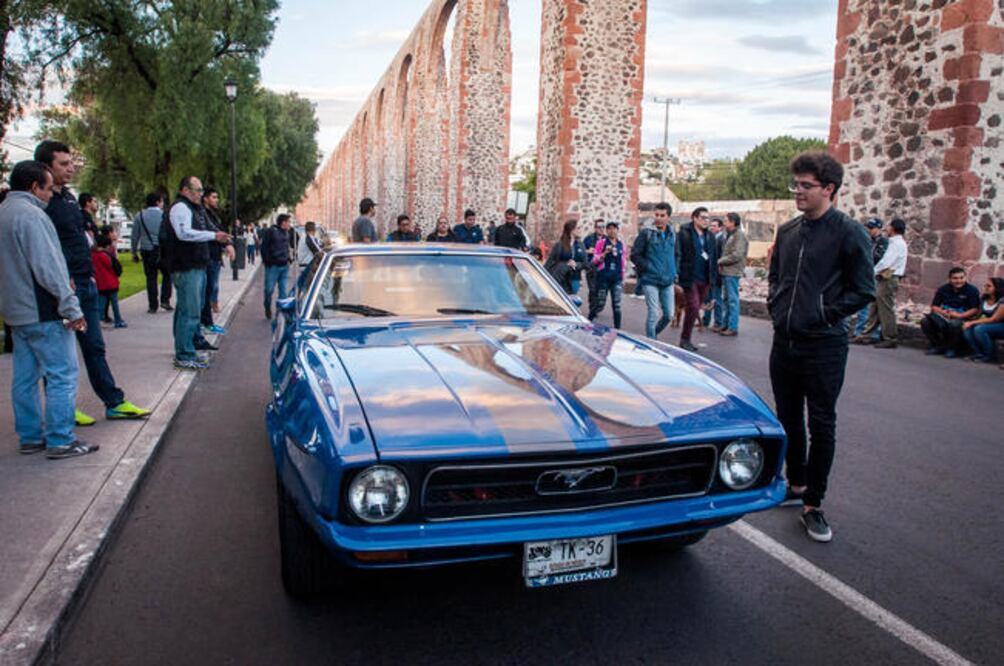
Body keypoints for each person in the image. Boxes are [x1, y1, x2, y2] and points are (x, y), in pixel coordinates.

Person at [769, 151, 874, 543]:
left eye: (806, 185)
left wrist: (822, 314)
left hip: (824, 345)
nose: (798, 191)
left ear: (829, 188)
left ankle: (814, 503)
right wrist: (777, 306)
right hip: (785, 341)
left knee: (821, 423)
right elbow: (777, 276)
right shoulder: (789, 231)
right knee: (787, 417)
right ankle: (795, 483)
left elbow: (863, 289)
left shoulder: (849, 232)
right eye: (795, 184)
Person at [34, 140, 152, 422]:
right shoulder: (43, 204)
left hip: (86, 282)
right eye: (64, 164)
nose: (71, 168)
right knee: (62, 354)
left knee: (94, 346)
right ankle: (63, 407)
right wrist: (63, 279)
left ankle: (113, 401)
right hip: (65, 285)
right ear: (46, 166)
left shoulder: (69, 198)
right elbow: (45, 248)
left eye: (71, 163)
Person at [0, 161, 97, 459]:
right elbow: (49, 267)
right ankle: (60, 439)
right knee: (63, 375)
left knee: (25, 378)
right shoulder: (32, 217)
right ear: (34, 187)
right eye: (48, 189)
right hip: (44, 309)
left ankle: (30, 436)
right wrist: (71, 307)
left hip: (15, 311)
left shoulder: (4, 213)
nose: (51, 195)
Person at [165, 176, 230, 370]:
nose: (201, 194)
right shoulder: (180, 208)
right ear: (185, 190)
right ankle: (184, 354)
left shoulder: (195, 209)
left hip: (196, 265)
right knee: (190, 311)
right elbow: (183, 233)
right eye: (198, 190)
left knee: (189, 309)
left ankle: (186, 348)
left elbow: (207, 227)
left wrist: (222, 240)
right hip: (186, 266)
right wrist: (213, 236)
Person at [857, 218, 907, 349]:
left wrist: (873, 271)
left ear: (893, 228)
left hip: (889, 277)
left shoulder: (897, 244)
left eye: (889, 226)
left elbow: (886, 262)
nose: (887, 228)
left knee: (885, 308)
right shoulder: (894, 242)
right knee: (875, 306)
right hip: (884, 277)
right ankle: (867, 334)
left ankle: (890, 337)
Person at [630, 202, 677, 340]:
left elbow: (677, 254)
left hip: (668, 280)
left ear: (668, 217)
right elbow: (635, 255)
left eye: (662, 215)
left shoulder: (673, 234)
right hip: (650, 280)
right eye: (656, 215)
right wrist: (647, 267)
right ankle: (652, 341)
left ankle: (653, 335)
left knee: (669, 315)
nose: (659, 218)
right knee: (653, 313)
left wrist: (675, 270)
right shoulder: (646, 233)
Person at [676, 207, 718, 352]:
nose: (706, 221)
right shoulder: (684, 233)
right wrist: (677, 274)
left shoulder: (710, 236)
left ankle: (686, 338)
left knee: (694, 310)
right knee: (693, 306)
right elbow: (678, 254)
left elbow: (713, 257)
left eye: (708, 218)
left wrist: (713, 279)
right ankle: (685, 339)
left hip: (705, 278)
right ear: (694, 218)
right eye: (703, 217)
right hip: (689, 277)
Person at [920, 267, 981, 357]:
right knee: (925, 321)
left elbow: (974, 309)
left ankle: (952, 349)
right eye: (955, 278)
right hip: (945, 315)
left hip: (963, 317)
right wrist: (943, 312)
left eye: (961, 278)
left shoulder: (972, 290)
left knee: (954, 324)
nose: (959, 281)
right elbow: (934, 306)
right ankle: (938, 346)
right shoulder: (943, 289)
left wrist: (959, 315)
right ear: (950, 279)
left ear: (965, 277)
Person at [131, 192, 172, 313]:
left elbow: (135, 236)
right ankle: (165, 300)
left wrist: (134, 252)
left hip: (147, 250)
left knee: (150, 278)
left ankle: (153, 305)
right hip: (163, 250)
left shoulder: (140, 215)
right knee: (167, 275)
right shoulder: (165, 215)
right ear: (158, 202)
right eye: (162, 201)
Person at [201, 187, 234, 327]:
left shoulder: (212, 214)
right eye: (213, 197)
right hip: (208, 255)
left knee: (211, 288)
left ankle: (207, 320)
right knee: (208, 289)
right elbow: (213, 231)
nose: (217, 200)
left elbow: (218, 230)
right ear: (205, 199)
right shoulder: (203, 213)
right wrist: (227, 243)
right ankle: (206, 322)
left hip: (214, 255)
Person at [852, 218, 888, 338]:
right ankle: (859, 331)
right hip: (864, 273)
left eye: (871, 228)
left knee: (871, 305)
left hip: (875, 274)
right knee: (862, 304)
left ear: (878, 228)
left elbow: (876, 257)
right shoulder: (867, 239)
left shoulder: (883, 242)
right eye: (868, 227)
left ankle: (870, 332)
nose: (868, 230)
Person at [588, 222, 626, 329]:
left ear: (617, 230)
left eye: (614, 228)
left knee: (617, 305)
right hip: (603, 277)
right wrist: (604, 253)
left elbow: (623, 261)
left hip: (616, 278)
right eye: (609, 229)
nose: (612, 231)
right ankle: (588, 322)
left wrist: (622, 277)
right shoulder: (601, 243)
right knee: (599, 303)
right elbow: (594, 260)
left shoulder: (621, 244)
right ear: (607, 230)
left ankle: (618, 329)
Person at [716, 212, 749, 336]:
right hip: (727, 271)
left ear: (733, 222)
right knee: (726, 299)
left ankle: (732, 327)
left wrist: (720, 261)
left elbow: (737, 255)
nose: (724, 223)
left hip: (733, 272)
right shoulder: (730, 235)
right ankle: (725, 325)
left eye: (726, 221)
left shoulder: (739, 235)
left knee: (732, 300)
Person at [961, 278, 1004, 362]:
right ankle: (977, 353)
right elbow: (979, 315)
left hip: (1001, 325)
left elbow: (995, 319)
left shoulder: (1002, 300)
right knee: (967, 328)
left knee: (979, 329)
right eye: (985, 285)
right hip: (988, 324)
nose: (986, 288)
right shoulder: (984, 299)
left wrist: (972, 322)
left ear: (997, 288)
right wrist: (968, 321)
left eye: (989, 286)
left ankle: (988, 355)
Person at [261, 214, 293, 319]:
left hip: (284, 266)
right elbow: (264, 247)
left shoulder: (287, 233)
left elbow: (287, 246)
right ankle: (267, 307)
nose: (290, 224)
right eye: (288, 222)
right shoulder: (271, 232)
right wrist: (267, 261)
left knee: (283, 291)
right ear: (283, 222)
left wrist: (289, 258)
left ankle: (281, 313)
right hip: (273, 267)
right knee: (269, 290)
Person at [92, 232, 126, 328]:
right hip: (111, 283)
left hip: (100, 284)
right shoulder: (105, 255)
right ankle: (118, 320)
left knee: (101, 303)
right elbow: (111, 266)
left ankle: (99, 320)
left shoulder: (92, 255)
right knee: (114, 303)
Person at [544, 220, 587, 294]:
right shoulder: (559, 245)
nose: (580, 230)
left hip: (575, 279)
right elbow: (550, 262)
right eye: (578, 228)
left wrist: (576, 264)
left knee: (571, 300)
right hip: (560, 279)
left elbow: (585, 263)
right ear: (572, 230)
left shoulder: (581, 245)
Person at [703, 218, 726, 331]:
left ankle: (718, 322)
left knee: (716, 298)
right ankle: (705, 321)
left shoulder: (722, 240)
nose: (712, 227)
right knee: (707, 298)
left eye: (714, 226)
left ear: (720, 227)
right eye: (711, 225)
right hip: (708, 273)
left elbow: (721, 257)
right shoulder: (710, 238)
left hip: (716, 274)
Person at [583, 219, 605, 317]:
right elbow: (581, 251)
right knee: (592, 290)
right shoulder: (588, 239)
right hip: (591, 268)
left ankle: (597, 307)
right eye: (599, 227)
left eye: (603, 227)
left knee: (601, 290)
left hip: (603, 268)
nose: (601, 229)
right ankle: (593, 309)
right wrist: (588, 251)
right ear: (595, 228)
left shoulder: (607, 239)